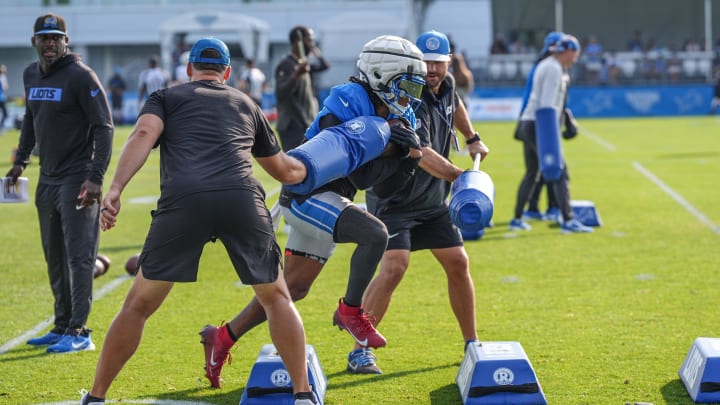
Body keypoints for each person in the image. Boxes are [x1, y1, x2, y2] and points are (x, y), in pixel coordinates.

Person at [81, 37, 317, 405]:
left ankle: (96, 397)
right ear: (227, 72)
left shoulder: (166, 97)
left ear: (189, 69)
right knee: (276, 298)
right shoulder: (245, 102)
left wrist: (115, 188)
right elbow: (285, 171)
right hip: (241, 198)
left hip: (184, 200)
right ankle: (303, 394)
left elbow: (144, 133)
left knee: (138, 305)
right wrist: (323, 163)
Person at [198, 34, 427, 387]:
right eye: (407, 84)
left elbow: (384, 188)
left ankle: (223, 337)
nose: (411, 96)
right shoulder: (348, 100)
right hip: (308, 194)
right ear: (382, 75)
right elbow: (359, 173)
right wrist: (393, 151)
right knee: (374, 234)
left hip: (331, 199)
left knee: (292, 289)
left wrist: (408, 160)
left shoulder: (400, 115)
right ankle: (351, 310)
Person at [347, 30, 490, 375]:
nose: (431, 70)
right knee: (395, 267)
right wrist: (460, 177)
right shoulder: (408, 94)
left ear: (448, 61)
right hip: (393, 199)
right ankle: (359, 351)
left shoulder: (448, 84)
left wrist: (472, 137)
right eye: (425, 63)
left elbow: (455, 105)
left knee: (458, 262)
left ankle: (472, 342)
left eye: (438, 62)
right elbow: (421, 152)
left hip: (431, 202)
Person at [5, 13, 113, 353]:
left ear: (66, 42)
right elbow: (30, 120)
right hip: (47, 179)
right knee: (54, 256)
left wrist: (95, 178)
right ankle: (62, 325)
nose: (50, 43)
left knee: (79, 258)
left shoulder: (82, 76)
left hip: (77, 179)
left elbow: (105, 127)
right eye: (44, 37)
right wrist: (20, 161)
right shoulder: (30, 74)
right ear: (34, 42)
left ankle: (80, 332)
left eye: (56, 37)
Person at [510, 33, 592, 234]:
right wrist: (552, 134)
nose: (575, 59)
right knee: (559, 170)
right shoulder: (555, 69)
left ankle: (517, 217)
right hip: (540, 123)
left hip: (528, 122)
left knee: (532, 173)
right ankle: (568, 220)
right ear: (568, 51)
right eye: (575, 54)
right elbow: (547, 105)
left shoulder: (546, 64)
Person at [274, 25, 330, 151]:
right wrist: (296, 75)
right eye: (309, 40)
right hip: (292, 125)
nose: (312, 44)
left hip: (305, 122)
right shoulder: (287, 64)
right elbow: (281, 92)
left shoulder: (304, 64)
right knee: (297, 164)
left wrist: (315, 51)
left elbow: (325, 66)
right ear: (297, 41)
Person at [448, 37, 474, 108]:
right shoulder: (466, 74)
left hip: (454, 100)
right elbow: (469, 88)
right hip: (464, 99)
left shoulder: (450, 75)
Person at [0, 64, 8, 131]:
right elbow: (5, 87)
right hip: (1, 99)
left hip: (2, 98)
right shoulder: (2, 77)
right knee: (5, 113)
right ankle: (1, 128)